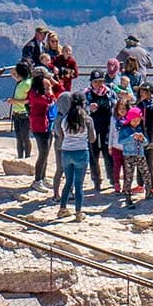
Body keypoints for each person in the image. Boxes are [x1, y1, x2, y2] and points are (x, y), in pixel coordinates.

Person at [56, 92, 97, 222]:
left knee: (68, 182)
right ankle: (78, 212)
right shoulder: (87, 119)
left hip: (66, 152)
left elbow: (61, 137)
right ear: (83, 103)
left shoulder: (64, 119)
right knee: (79, 184)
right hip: (81, 152)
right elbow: (92, 139)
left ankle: (62, 209)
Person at [85, 69, 116, 191]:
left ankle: (112, 178)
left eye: (100, 81)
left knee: (108, 152)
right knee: (93, 153)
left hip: (107, 127)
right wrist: (88, 108)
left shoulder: (109, 92)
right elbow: (81, 109)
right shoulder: (87, 93)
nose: (98, 84)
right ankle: (96, 180)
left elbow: (115, 106)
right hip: (92, 128)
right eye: (95, 81)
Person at [118, 107, 153, 208]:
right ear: (130, 119)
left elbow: (146, 143)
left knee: (146, 173)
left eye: (138, 120)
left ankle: (148, 192)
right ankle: (128, 197)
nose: (136, 122)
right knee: (129, 177)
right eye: (134, 120)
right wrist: (131, 137)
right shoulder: (125, 129)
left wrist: (143, 139)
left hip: (140, 155)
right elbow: (120, 141)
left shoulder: (139, 129)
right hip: (129, 155)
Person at [28, 72, 57, 193]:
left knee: (46, 152)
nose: (48, 88)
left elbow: (56, 95)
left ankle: (43, 177)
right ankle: (37, 180)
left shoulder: (40, 93)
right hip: (39, 126)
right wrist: (49, 91)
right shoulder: (34, 95)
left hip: (48, 125)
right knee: (43, 153)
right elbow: (49, 100)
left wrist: (51, 86)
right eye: (46, 86)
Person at [135, 82, 153, 199]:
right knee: (139, 159)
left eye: (144, 91)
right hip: (139, 135)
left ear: (150, 93)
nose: (142, 94)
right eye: (141, 91)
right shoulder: (140, 105)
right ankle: (140, 184)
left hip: (149, 136)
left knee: (149, 162)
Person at [7, 61, 33, 159]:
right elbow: (12, 72)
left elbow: (28, 100)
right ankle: (20, 157)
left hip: (24, 113)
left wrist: (14, 101)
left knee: (25, 137)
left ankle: (27, 157)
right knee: (18, 138)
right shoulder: (21, 82)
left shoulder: (28, 83)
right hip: (16, 113)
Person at [107, 99, 131, 193]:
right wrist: (110, 146)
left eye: (124, 109)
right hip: (116, 146)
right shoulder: (113, 119)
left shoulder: (129, 119)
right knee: (116, 167)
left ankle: (126, 185)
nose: (122, 110)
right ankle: (116, 183)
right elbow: (111, 133)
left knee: (126, 167)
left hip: (126, 147)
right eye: (120, 108)